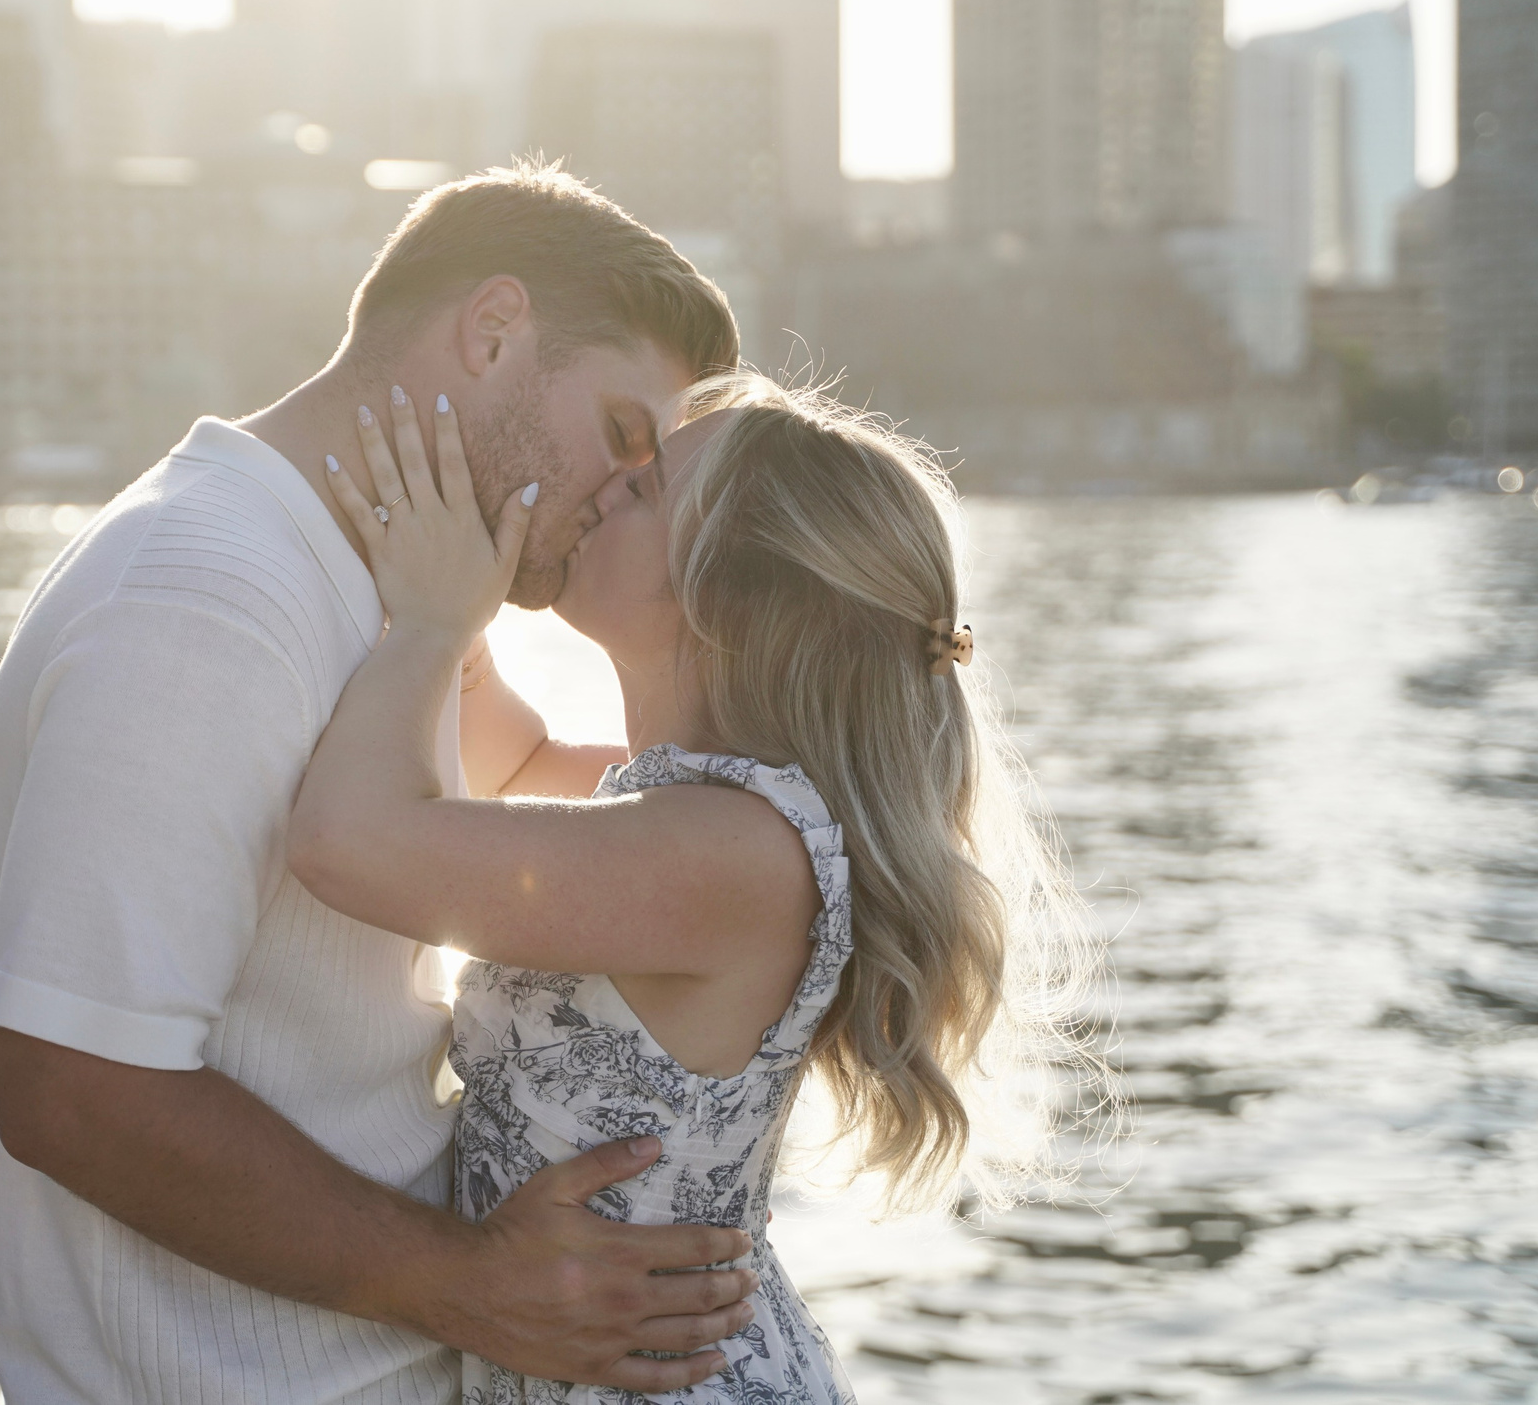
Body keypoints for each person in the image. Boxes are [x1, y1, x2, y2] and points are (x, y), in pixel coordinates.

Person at [0, 165, 759, 1402]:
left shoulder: (395, 595)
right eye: (620, 433)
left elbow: (554, 803)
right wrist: (472, 1283)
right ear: (493, 332)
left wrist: (823, 789)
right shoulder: (205, 601)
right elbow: (73, 1087)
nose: (624, 491)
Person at [287, 373, 1086, 1402]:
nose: (606, 486)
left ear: (727, 595)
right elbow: (515, 759)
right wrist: (450, 558)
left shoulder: (729, 854)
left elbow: (345, 841)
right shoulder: (686, 817)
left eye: (646, 489)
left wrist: (430, 630)